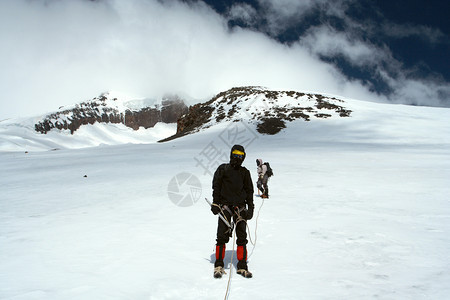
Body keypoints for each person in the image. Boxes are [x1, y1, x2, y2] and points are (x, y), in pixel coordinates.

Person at [211, 144, 254, 278]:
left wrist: (250, 208)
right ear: (231, 154)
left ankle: (242, 265)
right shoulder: (223, 169)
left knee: (241, 237)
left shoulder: (245, 173)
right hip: (225, 207)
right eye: (235, 154)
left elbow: (249, 191)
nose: (237, 158)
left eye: (240, 156)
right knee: (221, 236)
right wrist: (215, 203)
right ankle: (219, 264)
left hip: (240, 207)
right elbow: (216, 186)